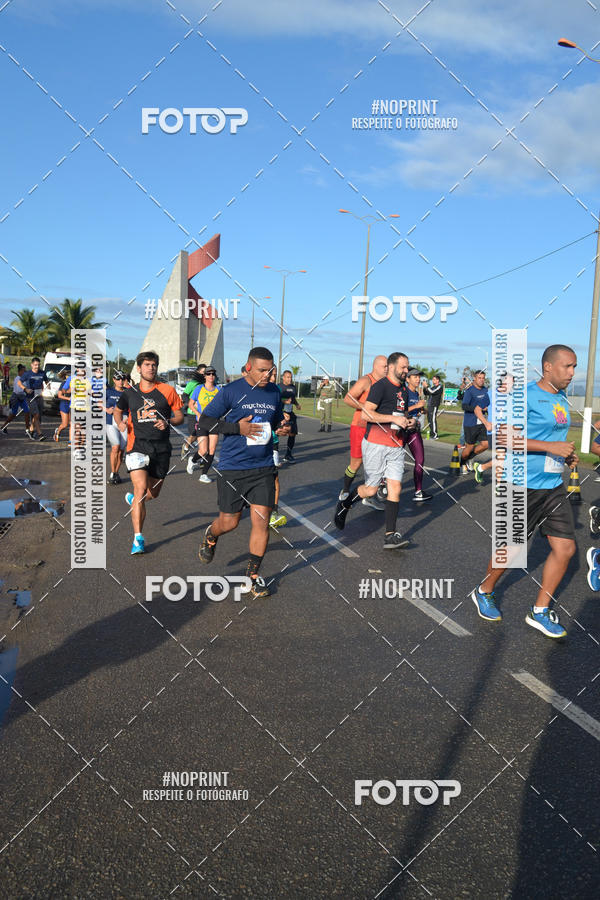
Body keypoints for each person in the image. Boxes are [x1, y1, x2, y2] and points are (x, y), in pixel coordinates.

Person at [470, 345, 578, 638]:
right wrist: (549, 447)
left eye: (574, 367)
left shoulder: (561, 396)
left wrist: (565, 455)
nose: (572, 373)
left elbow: (553, 435)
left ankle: (540, 611)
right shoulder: (524, 396)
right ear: (548, 368)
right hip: (521, 483)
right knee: (514, 550)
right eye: (567, 367)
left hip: (552, 485)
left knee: (565, 548)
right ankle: (484, 590)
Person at [197, 346, 290, 599]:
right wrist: (237, 429)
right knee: (230, 522)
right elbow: (204, 422)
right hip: (233, 468)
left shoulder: (273, 391)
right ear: (248, 367)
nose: (268, 376)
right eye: (262, 371)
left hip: (263, 468)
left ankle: (252, 577)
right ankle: (211, 534)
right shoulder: (230, 392)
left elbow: (276, 420)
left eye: (271, 371)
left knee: (261, 522)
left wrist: (281, 427)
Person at [334, 352, 414, 549]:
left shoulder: (403, 390)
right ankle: (345, 505)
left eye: (407, 367)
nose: (406, 371)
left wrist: (407, 422)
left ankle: (390, 536)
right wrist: (393, 419)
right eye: (404, 367)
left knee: (396, 488)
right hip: (376, 444)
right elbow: (367, 415)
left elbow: (400, 413)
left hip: (396, 444)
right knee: (370, 489)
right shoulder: (380, 386)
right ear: (392, 367)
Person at [113, 351, 183, 555]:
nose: (151, 368)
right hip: (137, 447)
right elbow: (118, 410)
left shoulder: (168, 391)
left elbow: (180, 416)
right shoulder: (130, 393)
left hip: (161, 449)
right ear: (139, 368)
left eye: (154, 365)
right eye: (146, 365)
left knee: (153, 493)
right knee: (141, 490)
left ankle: (134, 500)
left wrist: (168, 421)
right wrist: (120, 422)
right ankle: (138, 539)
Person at [338, 355, 389, 512]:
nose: (387, 369)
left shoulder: (386, 384)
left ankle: (369, 497)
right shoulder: (366, 381)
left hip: (377, 428)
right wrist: (366, 407)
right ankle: (345, 490)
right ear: (376, 367)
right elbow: (348, 398)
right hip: (360, 427)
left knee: (378, 462)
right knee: (357, 462)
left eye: (388, 366)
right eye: (384, 366)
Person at [472, 373, 514, 486]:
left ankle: (481, 467)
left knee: (506, 458)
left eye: (512, 382)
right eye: (509, 382)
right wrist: (486, 423)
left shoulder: (512, 397)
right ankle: (499, 485)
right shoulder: (490, 395)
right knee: (502, 458)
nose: (511, 384)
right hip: (494, 432)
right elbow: (477, 410)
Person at [187, 367, 221, 482]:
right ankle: (192, 460)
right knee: (203, 451)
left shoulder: (218, 390)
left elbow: (223, 405)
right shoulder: (199, 389)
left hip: (214, 422)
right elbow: (190, 404)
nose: (211, 376)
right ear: (205, 376)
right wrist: (198, 413)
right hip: (202, 422)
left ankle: (204, 474)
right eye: (208, 374)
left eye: (213, 374)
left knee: (212, 450)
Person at [405, 368, 432, 501]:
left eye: (418, 377)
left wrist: (422, 409)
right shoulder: (403, 392)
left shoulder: (416, 394)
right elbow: (399, 410)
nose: (417, 379)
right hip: (400, 432)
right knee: (392, 460)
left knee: (420, 460)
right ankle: (382, 484)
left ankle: (418, 491)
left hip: (414, 431)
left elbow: (415, 409)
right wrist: (416, 407)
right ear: (407, 379)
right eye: (414, 377)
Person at [460, 370, 489, 473]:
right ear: (475, 379)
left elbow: (488, 405)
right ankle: (462, 462)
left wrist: (487, 408)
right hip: (470, 423)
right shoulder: (470, 391)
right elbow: (464, 406)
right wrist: (478, 409)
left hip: (482, 422)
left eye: (483, 378)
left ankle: (470, 458)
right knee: (469, 447)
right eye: (479, 378)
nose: (481, 380)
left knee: (486, 444)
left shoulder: (486, 390)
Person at [269, 366, 287, 528]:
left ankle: (273, 512)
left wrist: (282, 424)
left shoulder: (275, 392)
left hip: (272, 441)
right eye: (271, 375)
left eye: (275, 375)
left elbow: (278, 416)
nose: (273, 378)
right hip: (253, 444)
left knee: (274, 477)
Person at [180, 364, 206, 459]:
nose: (204, 374)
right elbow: (184, 396)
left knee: (203, 434)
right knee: (194, 433)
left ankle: (203, 456)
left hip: (204, 414)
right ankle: (186, 446)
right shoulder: (193, 383)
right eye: (203, 372)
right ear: (198, 372)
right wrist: (193, 403)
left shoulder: (208, 383)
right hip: (192, 413)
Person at [105, 370, 127, 483]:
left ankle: (116, 473)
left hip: (124, 422)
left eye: (122, 379)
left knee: (121, 451)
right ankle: (112, 473)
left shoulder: (128, 392)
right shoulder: (108, 391)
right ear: (113, 380)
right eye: (118, 379)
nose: (120, 381)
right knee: (115, 447)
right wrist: (106, 409)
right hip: (111, 422)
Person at [21, 357, 49, 441]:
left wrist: (48, 384)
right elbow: (19, 382)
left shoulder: (42, 373)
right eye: (35, 365)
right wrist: (25, 389)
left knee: (38, 416)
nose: (37, 366)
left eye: (38, 365)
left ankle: (31, 430)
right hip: (30, 397)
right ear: (32, 365)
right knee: (36, 414)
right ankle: (40, 434)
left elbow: (46, 380)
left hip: (39, 396)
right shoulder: (27, 374)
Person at [279, 370, 301, 461]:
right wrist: (284, 401)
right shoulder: (278, 387)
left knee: (293, 433)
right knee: (277, 433)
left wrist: (296, 404)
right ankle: (273, 454)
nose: (290, 379)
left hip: (290, 412)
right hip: (280, 412)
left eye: (291, 377)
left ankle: (288, 454)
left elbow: (293, 398)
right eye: (288, 377)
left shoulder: (293, 387)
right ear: (283, 377)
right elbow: (275, 399)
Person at [1, 364, 31, 433]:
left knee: (27, 411)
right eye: (24, 371)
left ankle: (27, 429)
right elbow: (18, 391)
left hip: (22, 398)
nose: (25, 372)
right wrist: (26, 391)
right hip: (16, 398)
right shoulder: (17, 379)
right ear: (20, 371)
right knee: (14, 414)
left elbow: (27, 387)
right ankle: (3, 427)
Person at [423, 374, 443, 439]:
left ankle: (435, 435)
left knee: (433, 420)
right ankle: (432, 434)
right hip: (429, 405)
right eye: (432, 379)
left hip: (434, 405)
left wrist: (427, 386)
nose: (433, 380)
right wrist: (424, 387)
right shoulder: (433, 387)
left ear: (438, 380)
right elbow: (426, 393)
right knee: (429, 420)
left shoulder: (439, 386)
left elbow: (432, 392)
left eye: (434, 379)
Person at [54, 369, 71, 443]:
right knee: (65, 424)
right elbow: (59, 395)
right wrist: (68, 398)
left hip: (72, 405)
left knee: (72, 424)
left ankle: (71, 441)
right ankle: (57, 432)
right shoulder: (63, 384)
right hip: (64, 404)